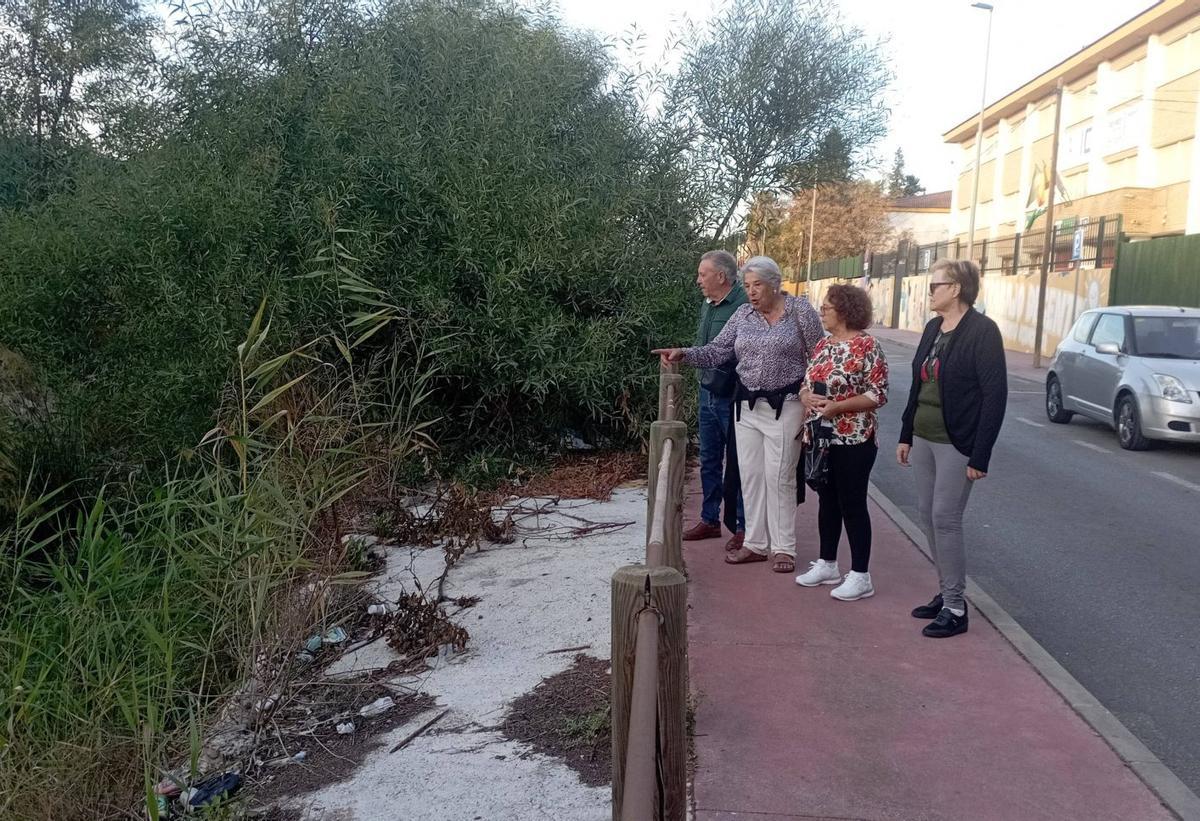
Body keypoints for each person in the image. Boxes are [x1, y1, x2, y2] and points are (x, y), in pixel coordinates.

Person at [654, 256, 823, 573]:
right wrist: (684, 354)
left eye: (757, 285)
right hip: (746, 406)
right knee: (751, 475)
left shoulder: (800, 312)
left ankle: (783, 548)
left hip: (787, 404)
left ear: (775, 283)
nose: (752, 292)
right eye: (747, 286)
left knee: (780, 476)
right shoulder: (743, 314)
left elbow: (820, 356)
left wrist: (811, 393)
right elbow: (717, 350)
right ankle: (756, 543)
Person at [897, 259, 1007, 638]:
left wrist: (981, 455)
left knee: (946, 517)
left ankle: (956, 608)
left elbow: (995, 396)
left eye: (935, 286)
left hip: (957, 441)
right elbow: (917, 385)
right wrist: (906, 434)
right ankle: (946, 593)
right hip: (925, 437)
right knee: (927, 515)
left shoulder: (982, 331)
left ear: (956, 289)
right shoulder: (933, 328)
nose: (930, 292)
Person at [795, 285, 888, 601]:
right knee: (827, 500)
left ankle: (861, 575)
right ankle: (827, 563)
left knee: (853, 502)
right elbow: (806, 384)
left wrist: (838, 407)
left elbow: (878, 393)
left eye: (827, 307)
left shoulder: (866, 346)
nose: (822, 311)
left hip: (855, 437)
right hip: (822, 436)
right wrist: (806, 396)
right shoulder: (823, 344)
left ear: (845, 310)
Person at [682, 250, 747, 552]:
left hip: (731, 394)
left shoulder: (744, 305)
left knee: (737, 462)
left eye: (702, 274)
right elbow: (703, 344)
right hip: (706, 390)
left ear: (721, 276)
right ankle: (709, 519)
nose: (698, 280)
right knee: (708, 459)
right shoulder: (708, 303)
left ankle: (742, 526)